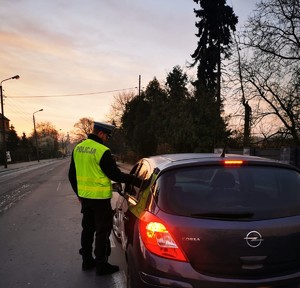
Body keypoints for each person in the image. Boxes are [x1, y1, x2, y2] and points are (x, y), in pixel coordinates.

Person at [68, 121, 135, 276]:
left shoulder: (78, 148)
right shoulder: (102, 150)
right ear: (100, 133)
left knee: (87, 229)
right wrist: (134, 180)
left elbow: (71, 175)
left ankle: (86, 261)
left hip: (86, 198)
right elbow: (115, 175)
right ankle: (101, 265)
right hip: (100, 199)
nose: (106, 139)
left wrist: (79, 194)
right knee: (102, 232)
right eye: (106, 136)